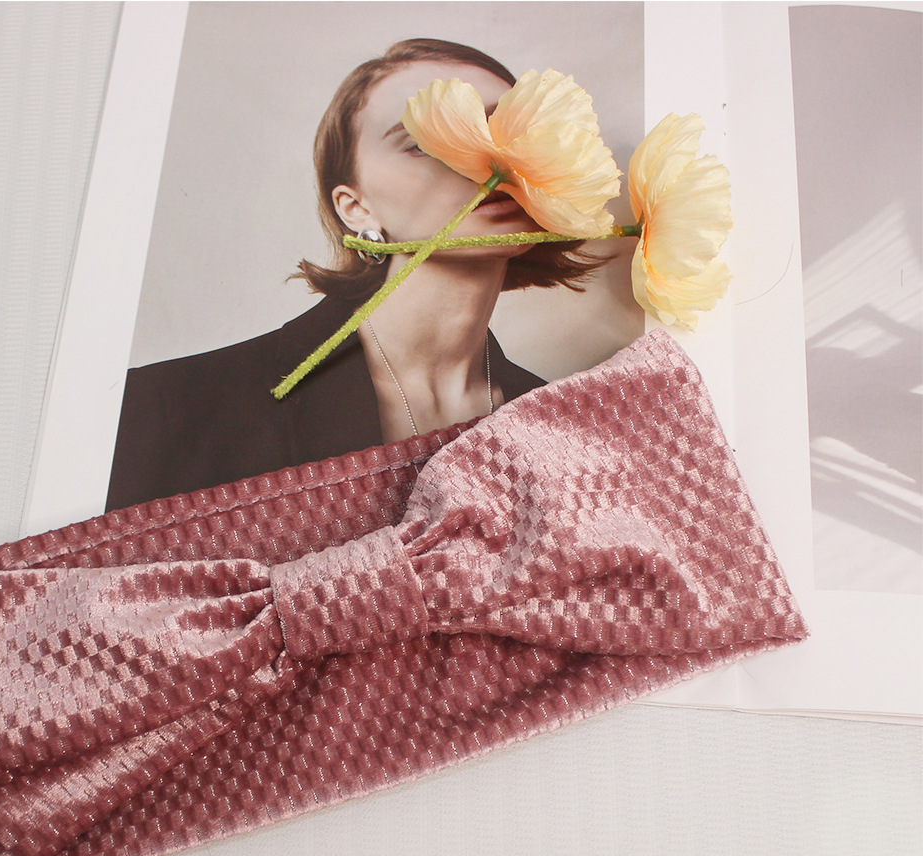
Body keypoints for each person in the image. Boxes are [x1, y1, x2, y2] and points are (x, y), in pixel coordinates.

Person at [106, 38, 603, 512]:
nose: (491, 159)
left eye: (511, 132)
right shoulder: (168, 408)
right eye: (425, 143)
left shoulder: (567, 435)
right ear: (355, 207)